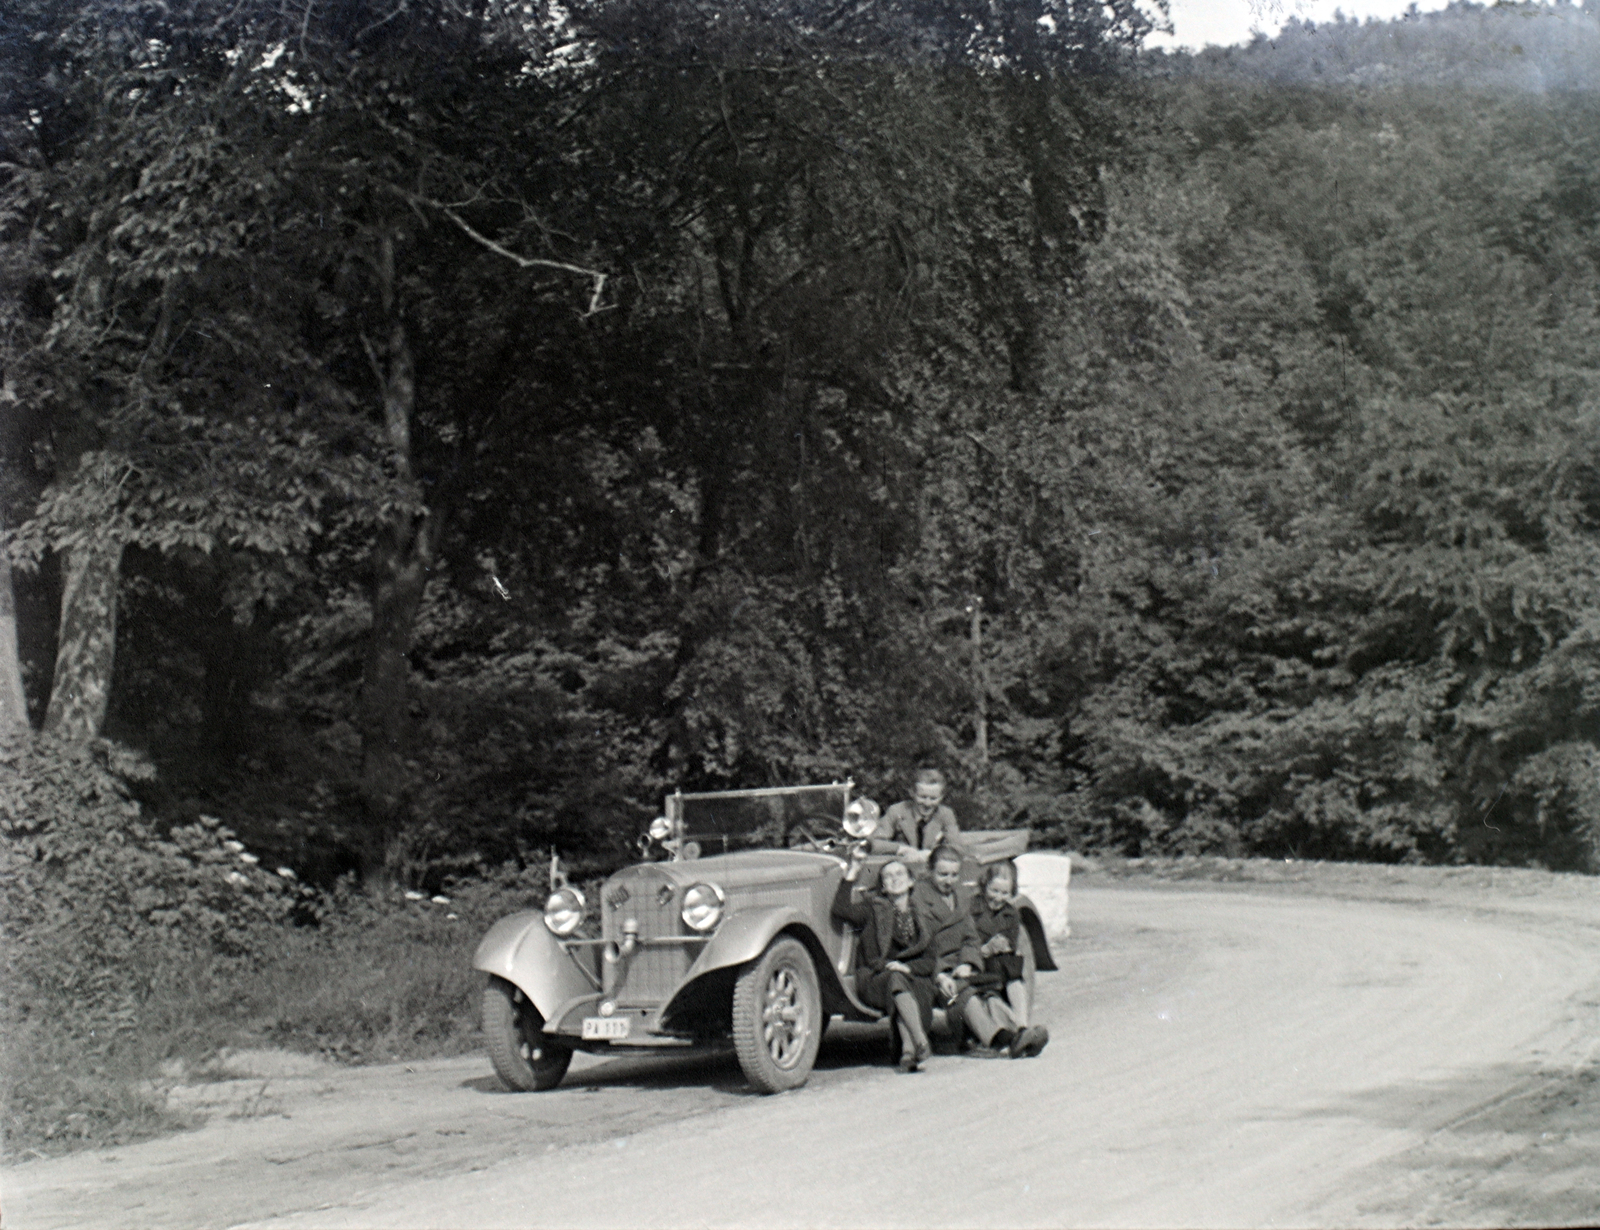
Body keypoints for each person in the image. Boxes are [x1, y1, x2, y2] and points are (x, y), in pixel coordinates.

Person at [911, 844, 1023, 1058]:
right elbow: (921, 945)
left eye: (954, 875)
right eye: (942, 874)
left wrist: (968, 962)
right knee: (962, 990)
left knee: (978, 987)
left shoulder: (961, 896)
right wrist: (940, 974)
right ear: (929, 871)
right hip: (931, 967)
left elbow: (971, 937)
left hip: (959, 964)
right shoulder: (919, 899)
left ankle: (1014, 1032)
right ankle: (1001, 1040)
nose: (949, 880)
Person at [832, 853, 935, 1072]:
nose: (895, 879)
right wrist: (852, 872)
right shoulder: (873, 910)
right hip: (875, 978)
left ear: (910, 881)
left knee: (903, 984)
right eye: (888, 877)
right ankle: (920, 1040)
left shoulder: (922, 916)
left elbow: (930, 960)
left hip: (912, 976)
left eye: (900, 874)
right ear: (884, 887)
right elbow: (840, 909)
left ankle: (908, 1052)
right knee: (896, 980)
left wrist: (906, 967)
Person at [970, 861, 1048, 1058]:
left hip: (999, 964)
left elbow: (1012, 941)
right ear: (984, 886)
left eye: (1004, 893)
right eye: (994, 891)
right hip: (976, 960)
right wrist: (984, 948)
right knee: (991, 991)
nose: (998, 897)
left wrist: (1003, 944)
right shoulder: (972, 907)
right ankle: (1019, 1035)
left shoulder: (1010, 912)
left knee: (1012, 970)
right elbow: (964, 937)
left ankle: (1021, 1027)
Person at [870, 768, 962, 858]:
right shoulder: (896, 811)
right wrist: (901, 849)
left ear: (941, 797)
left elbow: (956, 847)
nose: (927, 803)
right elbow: (874, 843)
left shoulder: (946, 814)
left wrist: (932, 854)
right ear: (912, 793)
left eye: (933, 798)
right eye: (922, 797)